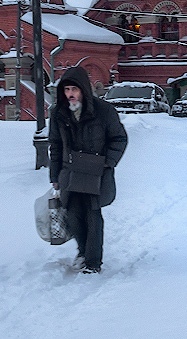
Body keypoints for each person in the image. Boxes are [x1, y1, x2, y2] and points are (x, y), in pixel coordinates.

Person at [49, 65, 128, 273]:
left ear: (83, 89)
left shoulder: (104, 111)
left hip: (96, 172)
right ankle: (83, 252)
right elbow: (55, 145)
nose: (70, 94)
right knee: (73, 216)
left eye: (74, 90)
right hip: (70, 172)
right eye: (66, 90)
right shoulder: (59, 113)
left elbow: (119, 138)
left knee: (93, 216)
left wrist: (107, 162)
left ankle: (93, 263)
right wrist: (54, 175)